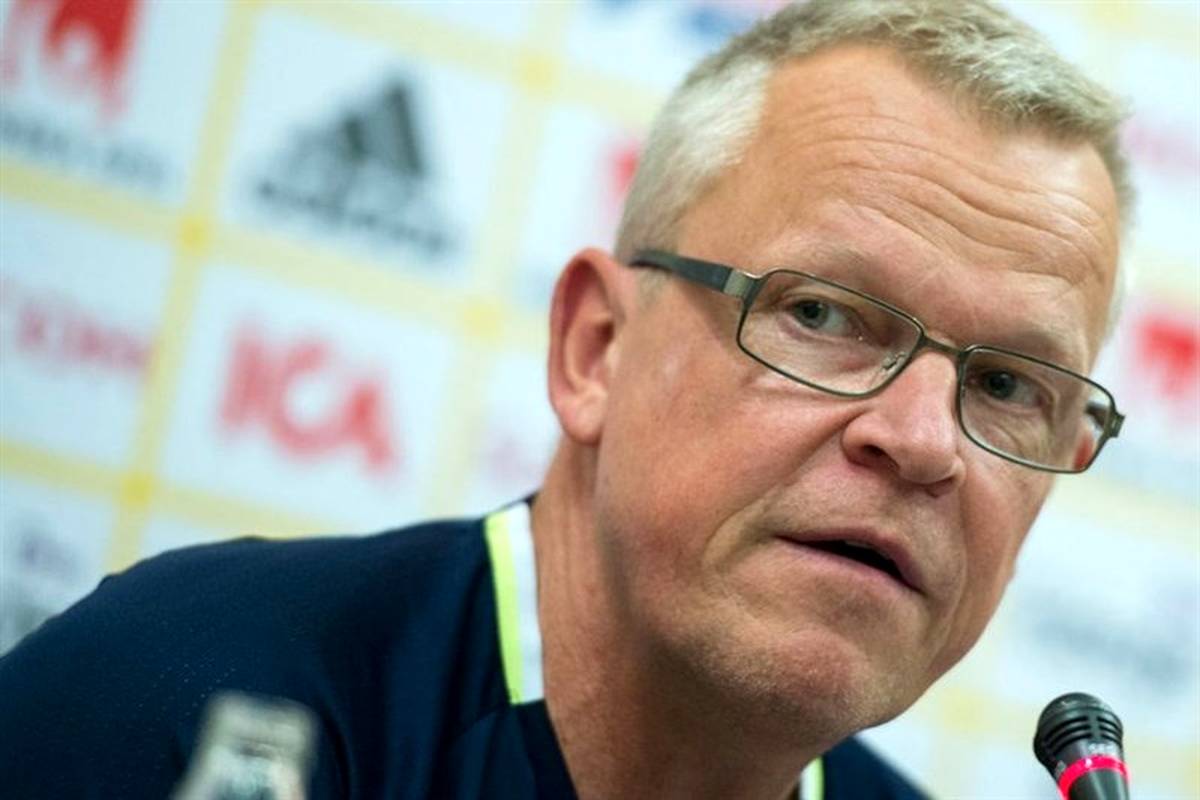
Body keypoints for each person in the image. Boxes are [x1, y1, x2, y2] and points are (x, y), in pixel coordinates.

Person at [0, 1, 1131, 798]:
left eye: (1007, 384)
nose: (923, 440)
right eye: (824, 315)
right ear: (596, 348)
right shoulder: (186, 700)